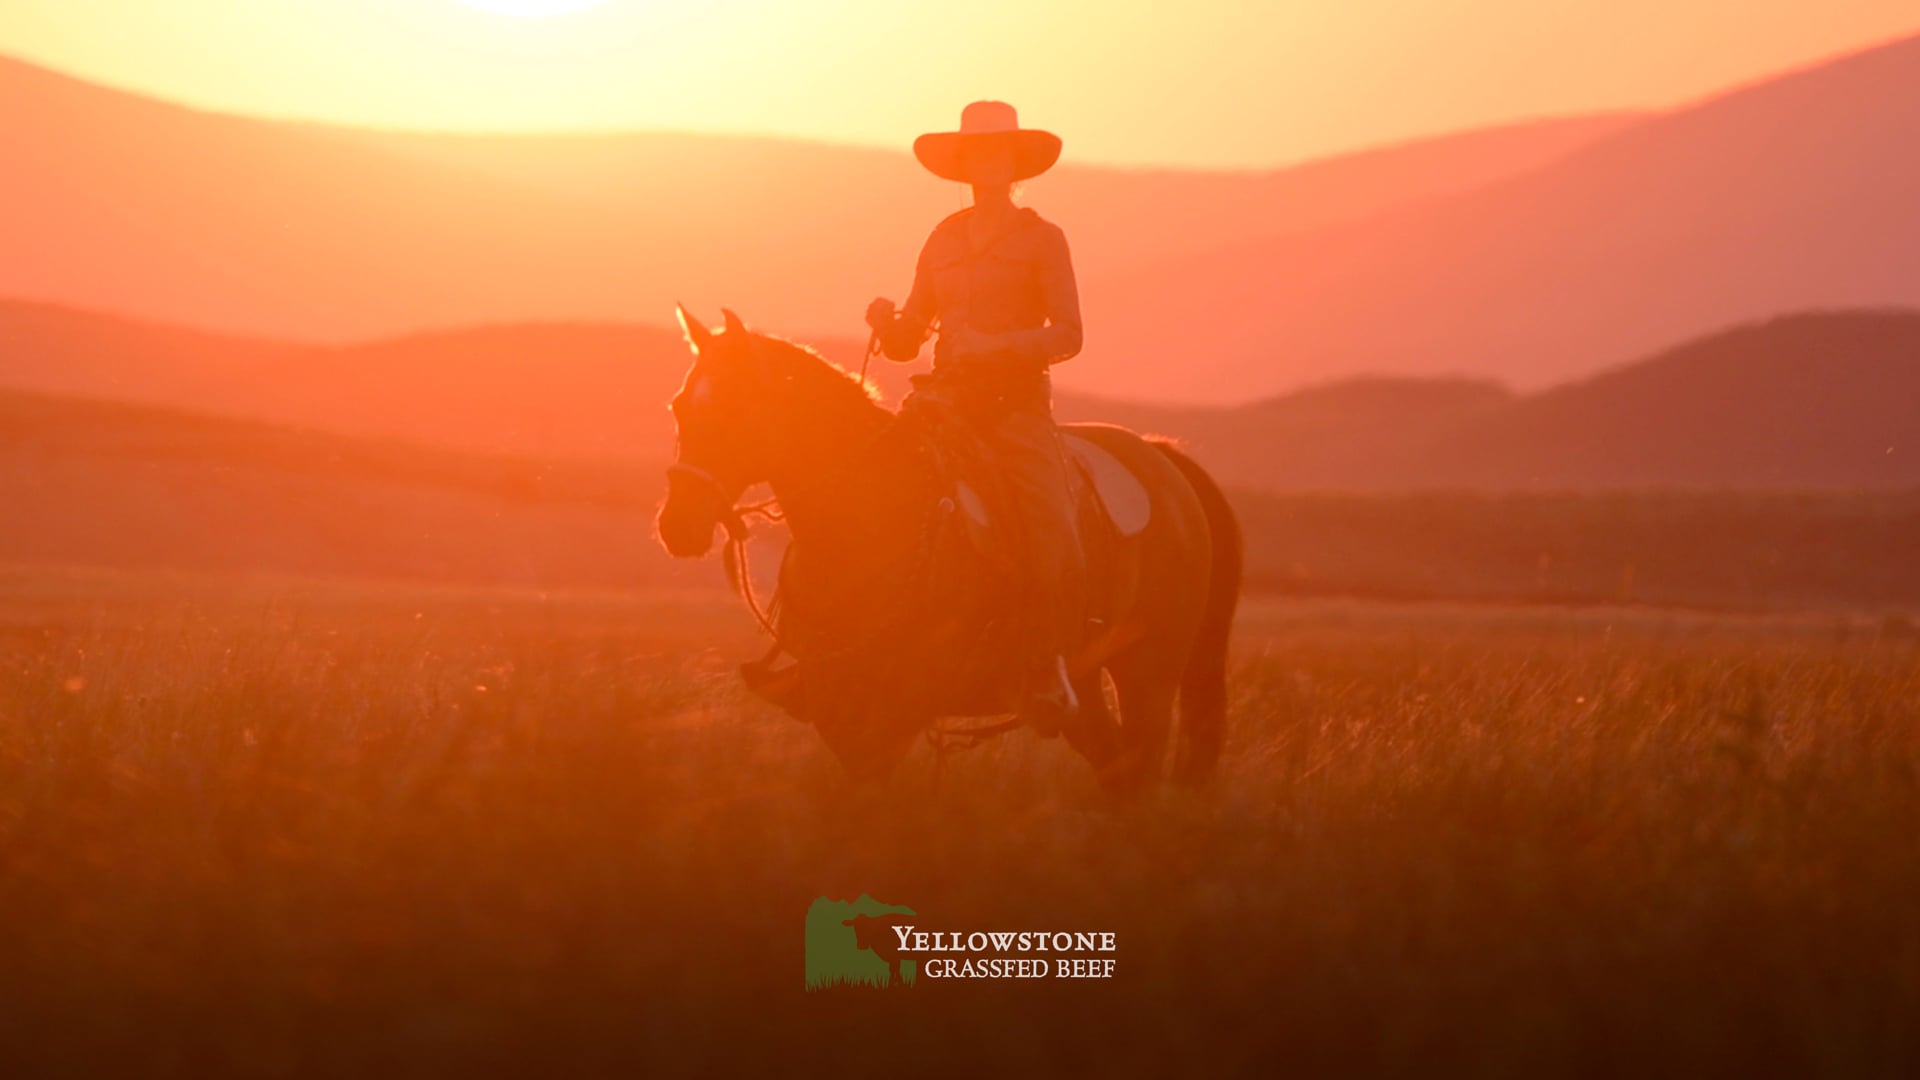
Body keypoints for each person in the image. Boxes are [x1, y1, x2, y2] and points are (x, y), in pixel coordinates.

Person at [865, 100, 1086, 731]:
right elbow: (912, 334)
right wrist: (889, 324)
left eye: (998, 153)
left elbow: (1069, 334)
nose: (986, 164)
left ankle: (1047, 664)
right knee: (868, 490)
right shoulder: (943, 238)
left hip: (1013, 408)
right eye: (975, 154)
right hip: (945, 402)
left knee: (1051, 526)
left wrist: (998, 346)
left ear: (1016, 164)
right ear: (962, 165)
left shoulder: (1044, 239)